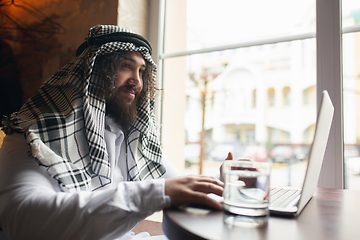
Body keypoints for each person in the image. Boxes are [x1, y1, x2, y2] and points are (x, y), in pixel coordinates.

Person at [0, 25, 226, 240]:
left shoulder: (130, 136)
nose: (136, 81)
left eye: (141, 71)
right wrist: (152, 194)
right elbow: (22, 220)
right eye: (126, 66)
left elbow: (180, 186)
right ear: (95, 69)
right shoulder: (33, 136)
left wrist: (225, 184)